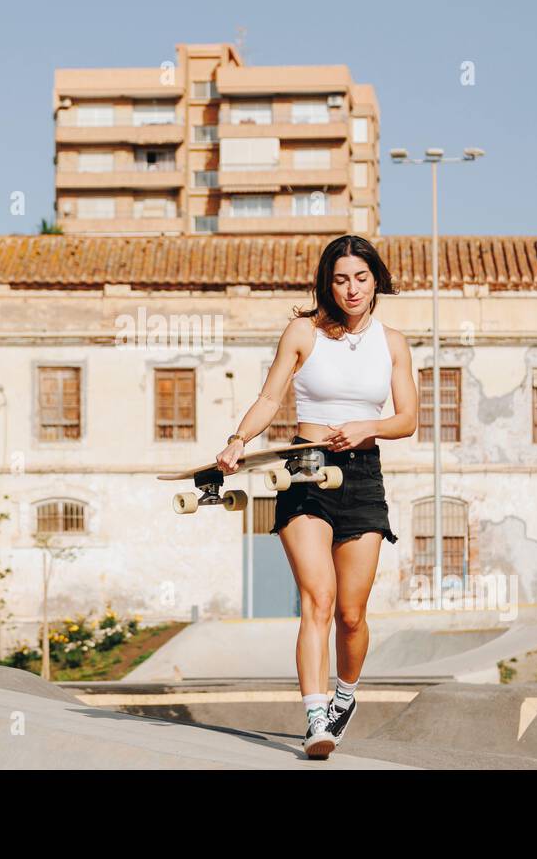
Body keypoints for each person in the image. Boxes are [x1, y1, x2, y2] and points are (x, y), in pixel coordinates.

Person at [216, 235, 416, 758]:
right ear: (328, 283)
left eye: (361, 278)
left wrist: (367, 427)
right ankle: (315, 718)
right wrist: (239, 440)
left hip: (363, 475)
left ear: (376, 280)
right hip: (305, 468)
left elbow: (408, 419)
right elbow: (268, 397)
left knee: (352, 613)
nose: (351, 289)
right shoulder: (303, 332)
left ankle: (344, 696)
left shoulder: (393, 342)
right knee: (318, 601)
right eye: (341, 279)